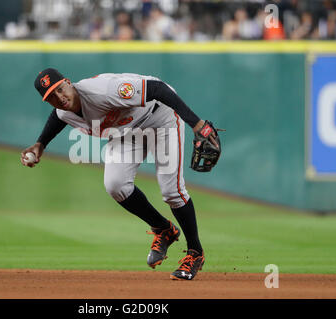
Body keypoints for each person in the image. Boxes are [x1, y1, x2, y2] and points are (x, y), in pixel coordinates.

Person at [20, 69, 221, 280]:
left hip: (160, 118)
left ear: (69, 83)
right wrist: (41, 143)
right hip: (127, 131)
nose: (59, 98)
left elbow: (157, 89)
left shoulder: (103, 91)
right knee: (115, 185)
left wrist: (197, 124)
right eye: (51, 96)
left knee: (172, 191)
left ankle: (195, 253)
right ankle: (164, 229)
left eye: (60, 89)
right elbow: (59, 116)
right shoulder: (63, 109)